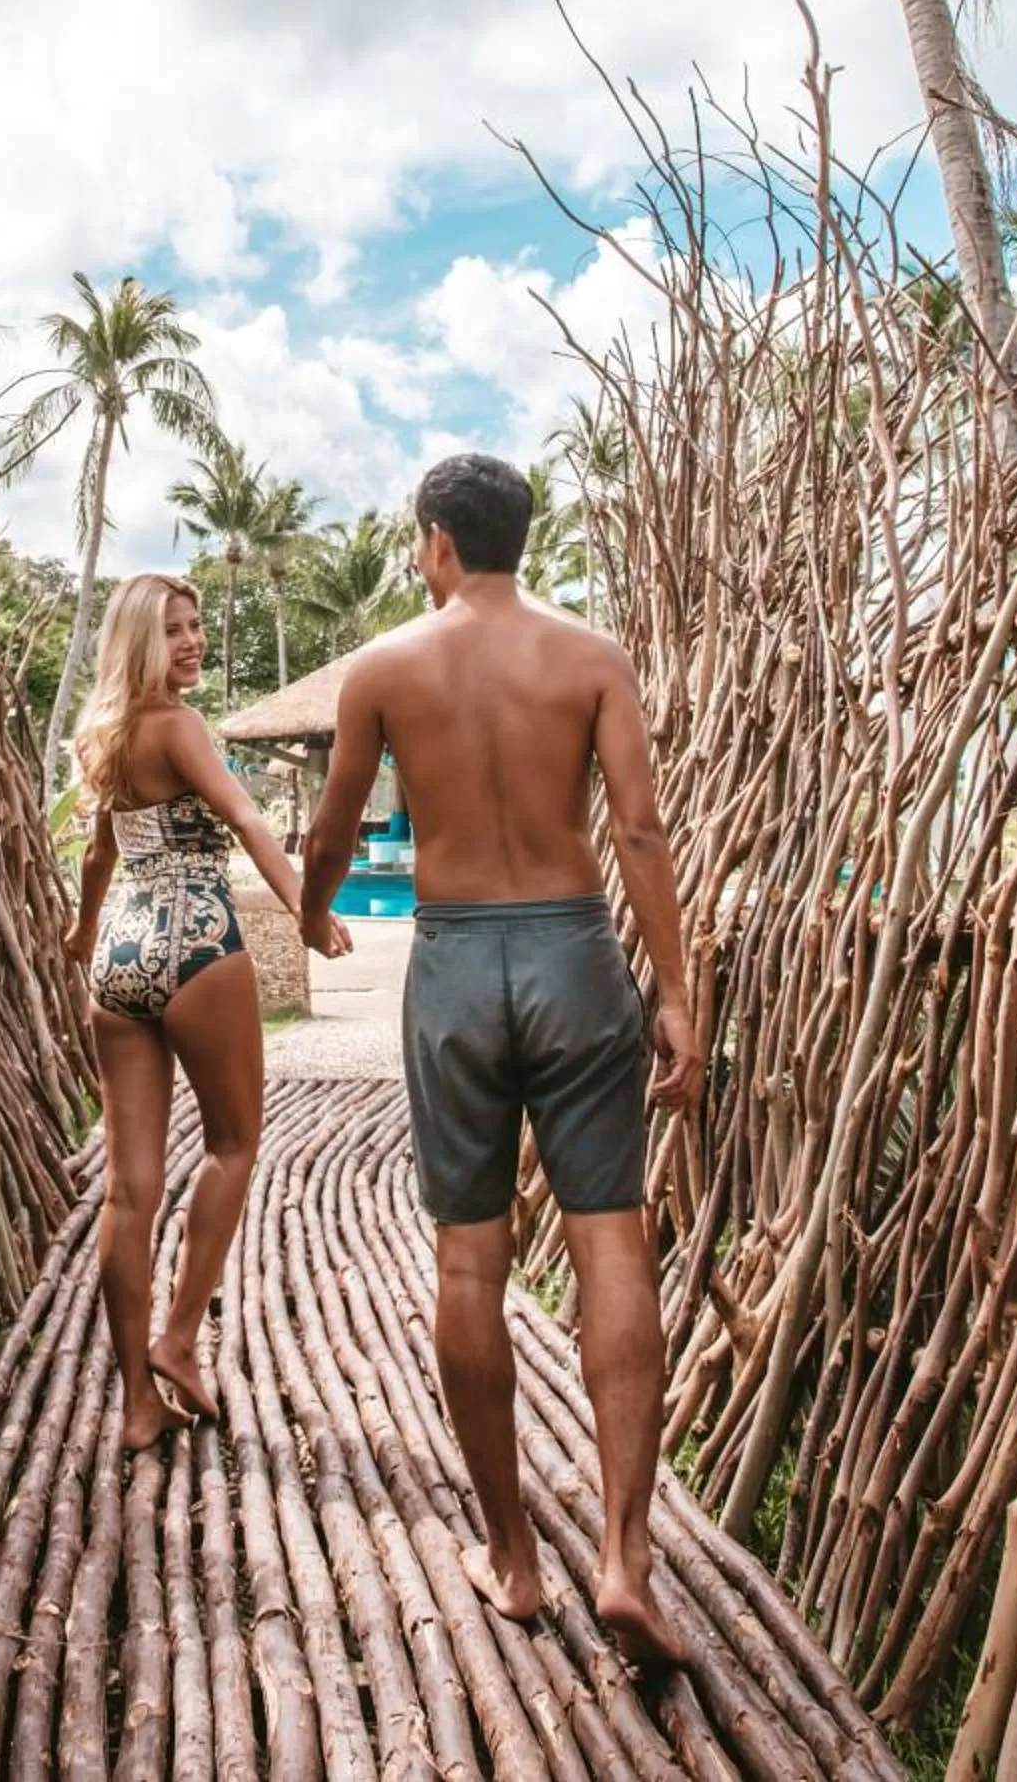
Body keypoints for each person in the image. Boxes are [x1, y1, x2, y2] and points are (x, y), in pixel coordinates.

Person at [300, 453, 702, 1662]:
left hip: (458, 964)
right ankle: (626, 1562)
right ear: (519, 537)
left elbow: (333, 820)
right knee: (610, 1237)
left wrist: (319, 910)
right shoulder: (589, 656)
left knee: (469, 1266)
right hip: (577, 954)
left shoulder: (383, 667)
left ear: (434, 541)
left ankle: (514, 1559)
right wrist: (673, 989)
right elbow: (635, 826)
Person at [65, 573, 352, 1448]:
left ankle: (136, 1406)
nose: (193, 642)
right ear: (141, 641)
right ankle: (180, 1340)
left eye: (196, 628)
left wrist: (82, 935)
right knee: (233, 1144)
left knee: (128, 1189)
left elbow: (98, 857)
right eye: (175, 630)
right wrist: (305, 909)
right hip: (194, 942)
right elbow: (249, 822)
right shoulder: (180, 726)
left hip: (119, 959)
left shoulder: (104, 735)